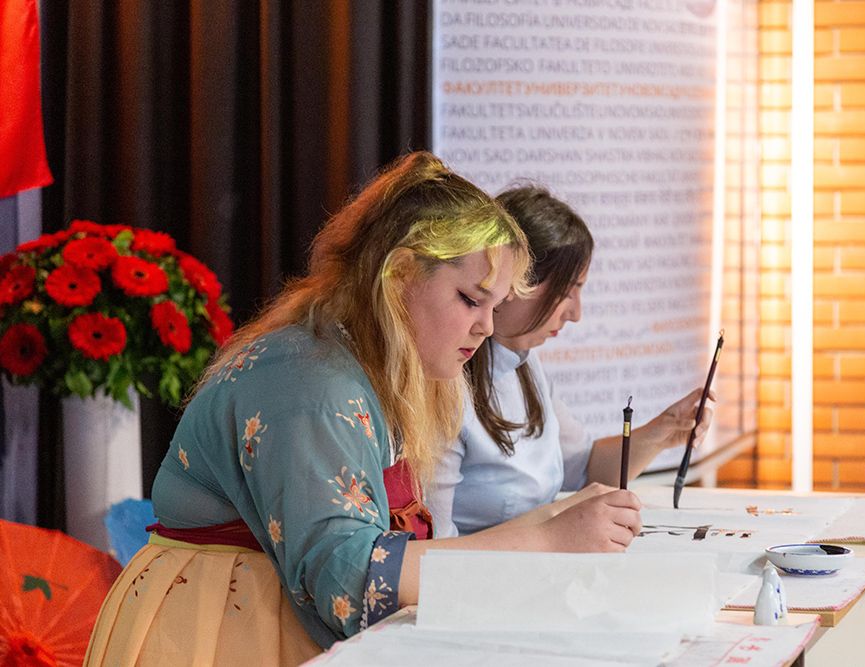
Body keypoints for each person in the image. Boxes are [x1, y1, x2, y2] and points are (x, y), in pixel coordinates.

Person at [85, 154, 644, 666]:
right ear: (398, 277)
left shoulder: (367, 366)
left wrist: (548, 526)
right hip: (219, 634)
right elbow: (349, 579)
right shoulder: (310, 383)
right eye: (471, 300)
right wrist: (544, 541)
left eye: (495, 307)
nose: (486, 327)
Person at [426, 186, 715, 538]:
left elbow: (584, 468)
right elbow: (435, 547)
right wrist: (555, 521)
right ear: (515, 282)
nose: (575, 313)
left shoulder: (525, 365)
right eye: (566, 292)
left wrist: (663, 430)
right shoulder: (444, 382)